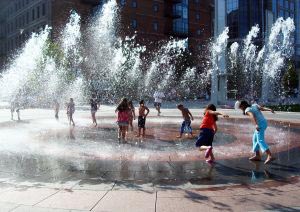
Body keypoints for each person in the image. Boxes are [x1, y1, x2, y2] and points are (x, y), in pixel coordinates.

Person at [237, 100, 276, 164]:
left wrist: (256, 124)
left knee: (260, 140)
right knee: (255, 139)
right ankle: (257, 155)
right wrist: (269, 109)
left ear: (243, 106)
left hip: (260, 124)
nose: (240, 108)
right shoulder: (254, 105)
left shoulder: (247, 110)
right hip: (264, 122)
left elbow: (252, 116)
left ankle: (269, 155)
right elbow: (262, 108)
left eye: (240, 107)